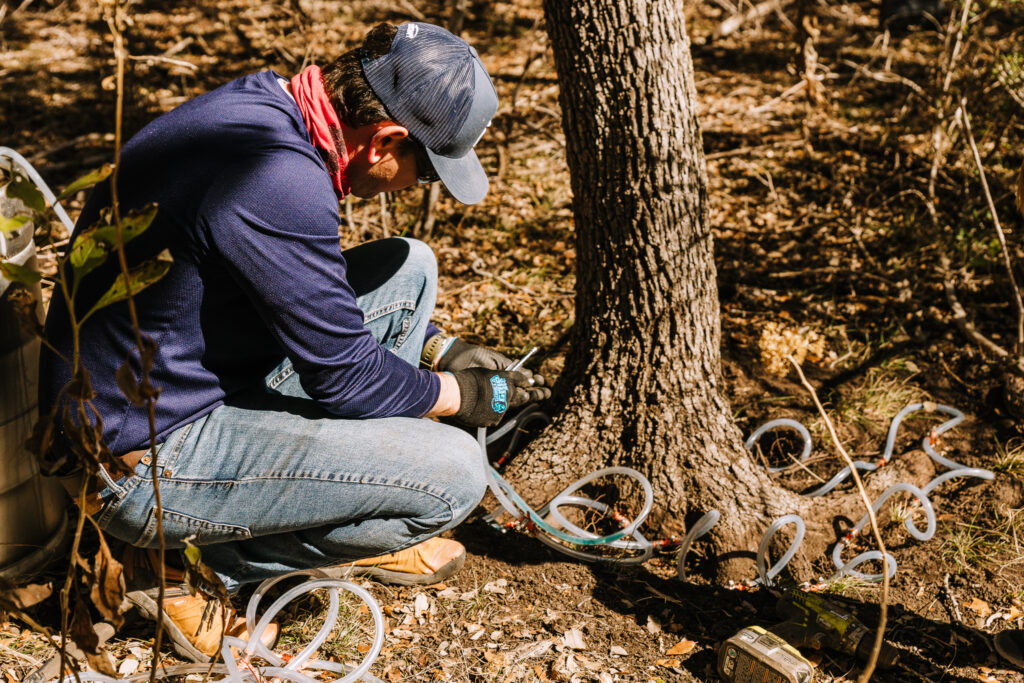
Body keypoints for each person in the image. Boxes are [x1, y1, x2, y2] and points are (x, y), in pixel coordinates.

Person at [40, 21, 550, 662]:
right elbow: (348, 377)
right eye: (423, 174)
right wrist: (463, 393)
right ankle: (178, 568)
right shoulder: (277, 182)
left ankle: (349, 506)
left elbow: (298, 299)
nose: (414, 187)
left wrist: (434, 351)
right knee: (454, 476)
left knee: (408, 266)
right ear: (384, 141)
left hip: (169, 379)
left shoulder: (262, 108)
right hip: (141, 460)